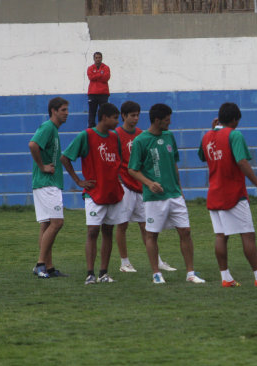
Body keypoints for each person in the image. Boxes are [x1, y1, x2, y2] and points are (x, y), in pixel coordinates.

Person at [199, 102, 257, 287]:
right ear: (235, 120)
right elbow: (242, 162)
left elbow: (202, 156)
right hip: (233, 194)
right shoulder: (234, 134)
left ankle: (226, 278)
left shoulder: (207, 136)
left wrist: (213, 131)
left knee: (221, 236)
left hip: (214, 194)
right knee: (247, 235)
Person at [128, 103, 206, 284]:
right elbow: (133, 169)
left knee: (185, 231)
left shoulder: (169, 136)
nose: (169, 124)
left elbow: (174, 164)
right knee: (152, 234)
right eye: (167, 120)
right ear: (157, 120)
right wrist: (149, 183)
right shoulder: (141, 141)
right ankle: (156, 273)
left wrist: (180, 189)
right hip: (154, 198)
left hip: (174, 194)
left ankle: (190, 273)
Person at [60, 103, 124, 285]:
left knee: (108, 231)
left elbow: (117, 162)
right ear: (104, 117)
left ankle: (103, 273)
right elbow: (65, 157)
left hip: (112, 193)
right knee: (92, 231)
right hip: (94, 193)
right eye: (115, 117)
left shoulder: (114, 137)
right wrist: (79, 181)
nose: (117, 121)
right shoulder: (86, 136)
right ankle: (90, 273)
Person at [115, 101, 176, 273]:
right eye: (132, 115)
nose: (135, 118)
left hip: (141, 185)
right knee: (122, 224)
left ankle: (157, 261)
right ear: (123, 116)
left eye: (137, 115)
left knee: (146, 225)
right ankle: (124, 262)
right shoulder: (117, 135)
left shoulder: (142, 135)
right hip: (125, 185)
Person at [28, 97, 70, 279]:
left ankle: (49, 267)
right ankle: (40, 264)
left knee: (46, 224)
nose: (67, 113)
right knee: (57, 223)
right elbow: (33, 144)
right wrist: (43, 166)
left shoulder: (53, 130)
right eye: (63, 110)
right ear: (53, 111)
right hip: (47, 183)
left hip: (46, 183)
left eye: (67, 109)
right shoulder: (47, 127)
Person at [87, 51, 110, 128]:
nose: (98, 59)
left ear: (102, 58)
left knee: (104, 112)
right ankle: (91, 128)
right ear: (94, 59)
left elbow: (106, 78)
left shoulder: (106, 68)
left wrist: (96, 75)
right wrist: (100, 74)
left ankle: (103, 126)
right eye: (96, 58)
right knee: (92, 112)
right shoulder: (90, 68)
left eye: (99, 57)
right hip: (92, 93)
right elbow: (91, 77)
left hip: (103, 94)